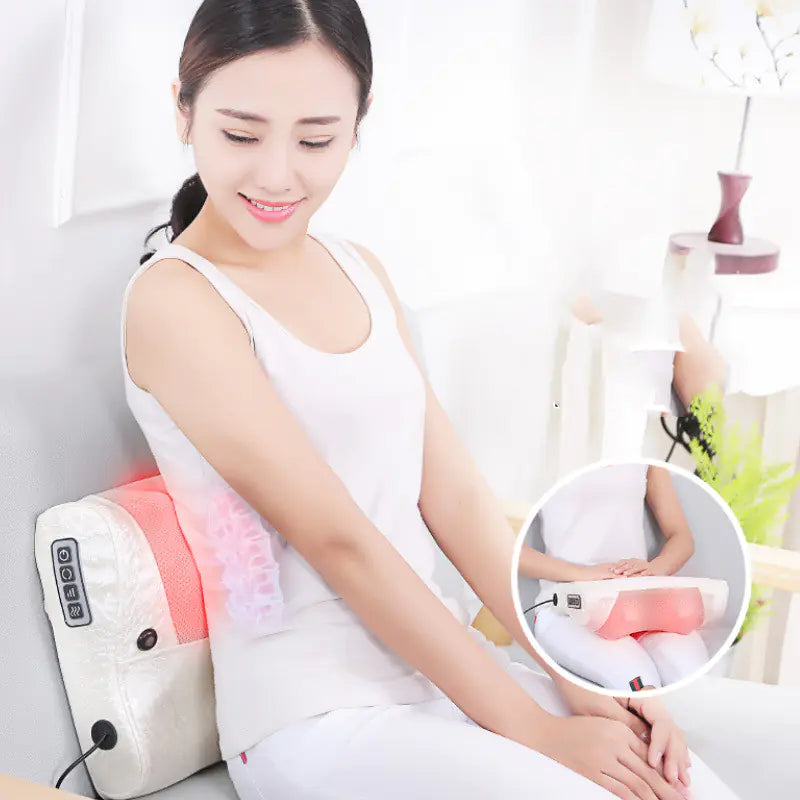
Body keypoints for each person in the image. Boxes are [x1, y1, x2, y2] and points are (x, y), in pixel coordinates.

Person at [121, 1, 740, 797]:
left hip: (443, 677)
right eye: (241, 134)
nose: (277, 174)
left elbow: (452, 497)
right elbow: (340, 542)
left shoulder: (360, 269)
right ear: (183, 109)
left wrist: (574, 675)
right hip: (312, 716)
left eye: (316, 139)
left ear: (359, 122)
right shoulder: (176, 303)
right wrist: (535, 729)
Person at [519, 463, 711, 691]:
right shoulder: (546, 450)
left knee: (692, 672)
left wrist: (655, 569)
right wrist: (581, 574)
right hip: (568, 607)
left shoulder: (644, 458)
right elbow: (504, 547)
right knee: (637, 678)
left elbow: (681, 536)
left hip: (641, 599)